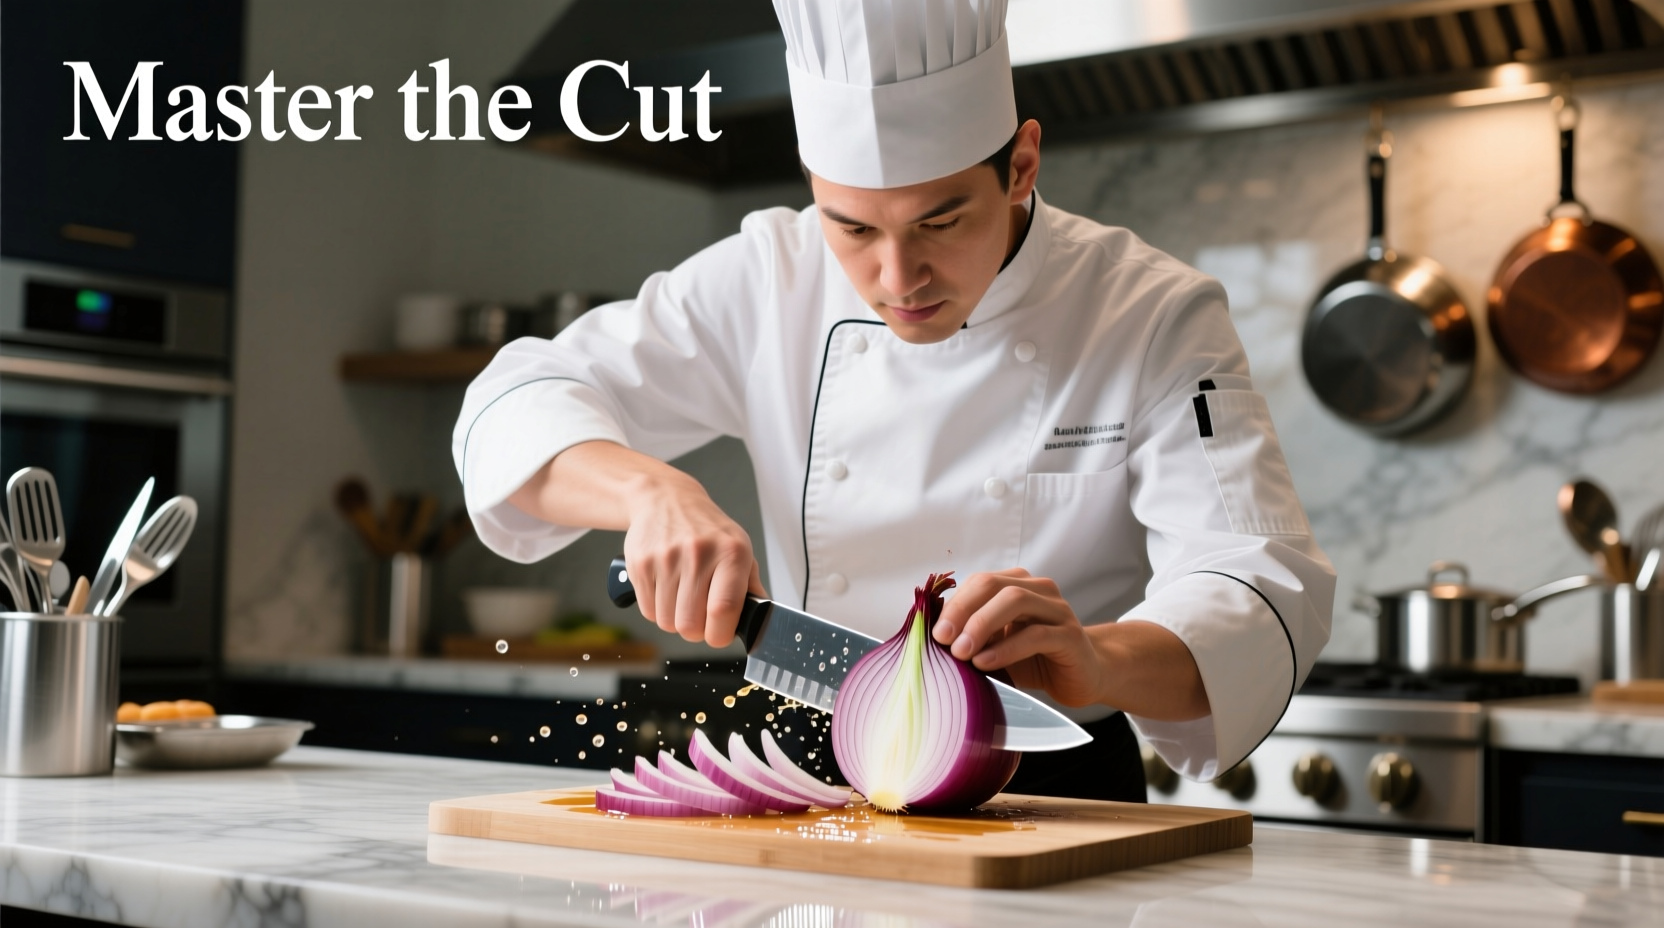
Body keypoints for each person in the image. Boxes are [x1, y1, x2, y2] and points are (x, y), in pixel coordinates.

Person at [454, 0, 1335, 801]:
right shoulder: (770, 275)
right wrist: (652, 494)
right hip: (808, 773)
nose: (896, 276)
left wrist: (1096, 660)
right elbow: (516, 399)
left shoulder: (1149, 312)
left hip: (1049, 789)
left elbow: (1259, 584)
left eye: (940, 222)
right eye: (852, 227)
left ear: (1022, 164)